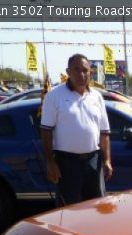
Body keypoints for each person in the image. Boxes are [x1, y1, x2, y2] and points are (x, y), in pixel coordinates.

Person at [40, 54, 112, 206]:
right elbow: (46, 131)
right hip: (67, 164)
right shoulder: (54, 96)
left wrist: (106, 160)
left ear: (90, 72)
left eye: (85, 70)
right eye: (77, 70)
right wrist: (50, 162)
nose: (81, 74)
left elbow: (104, 133)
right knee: (68, 210)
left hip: (93, 161)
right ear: (68, 71)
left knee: (96, 207)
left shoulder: (97, 97)